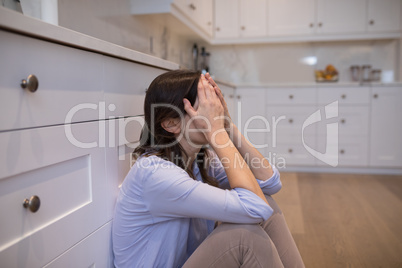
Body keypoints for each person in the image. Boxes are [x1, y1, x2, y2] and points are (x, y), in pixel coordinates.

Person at [112, 70, 305, 268]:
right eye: (205, 107)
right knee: (243, 237)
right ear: (171, 123)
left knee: (268, 206)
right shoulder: (156, 174)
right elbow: (255, 208)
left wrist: (228, 125)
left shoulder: (199, 160)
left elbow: (270, 182)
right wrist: (217, 132)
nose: (214, 112)